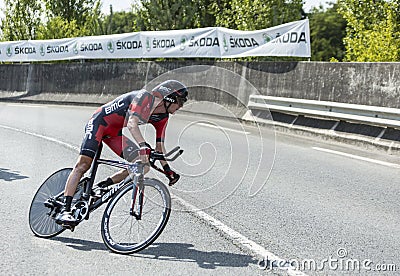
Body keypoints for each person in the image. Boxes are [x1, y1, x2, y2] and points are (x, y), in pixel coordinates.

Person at [55, 80, 188, 226]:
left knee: (143, 166)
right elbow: (132, 123)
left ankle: (102, 186)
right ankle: (65, 210)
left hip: (114, 133)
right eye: (180, 103)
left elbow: (159, 146)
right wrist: (143, 145)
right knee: (84, 164)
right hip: (99, 123)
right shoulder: (144, 98)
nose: (180, 107)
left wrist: (167, 170)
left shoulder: (163, 117)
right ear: (169, 98)